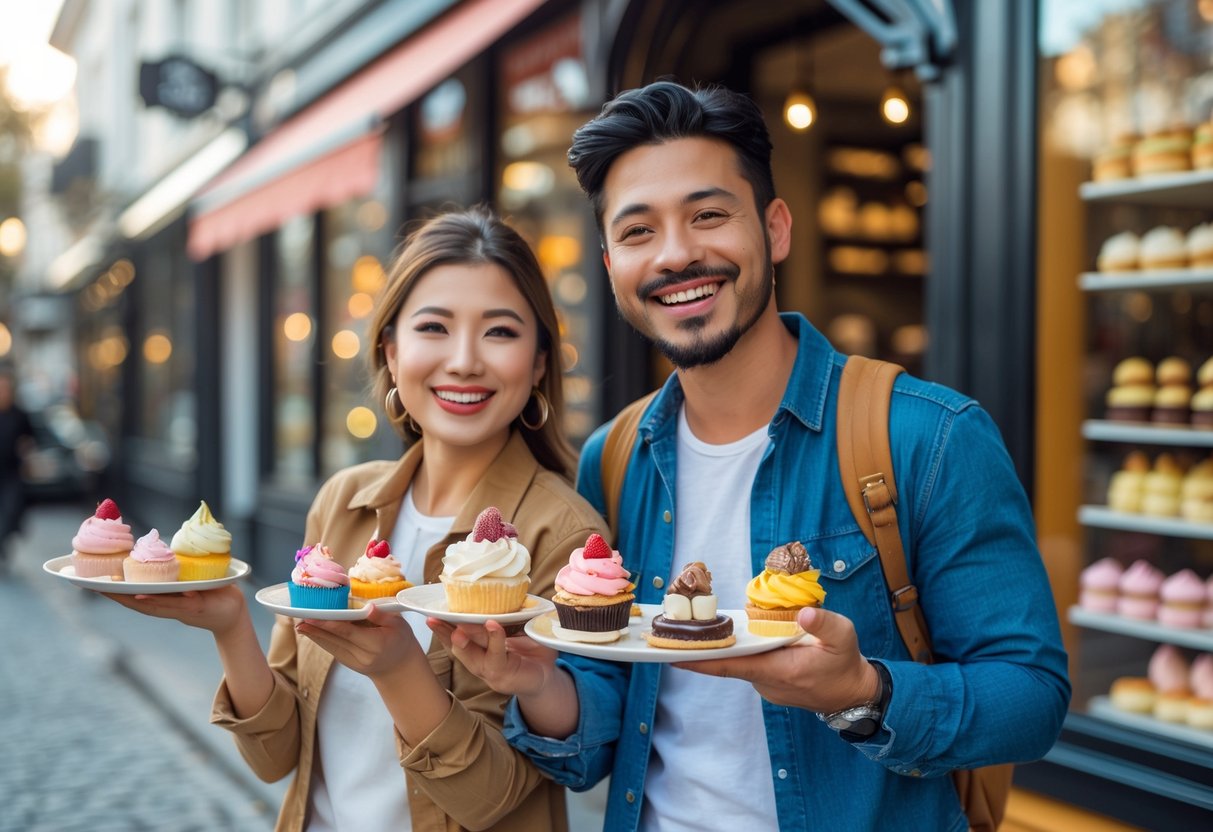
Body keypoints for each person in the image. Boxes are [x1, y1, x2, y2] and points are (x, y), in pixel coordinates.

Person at [432, 81, 1071, 832]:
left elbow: (1031, 697)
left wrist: (861, 690)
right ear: (609, 265)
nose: (676, 255)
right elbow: (603, 725)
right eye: (637, 232)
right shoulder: (615, 457)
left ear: (773, 229)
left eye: (708, 216)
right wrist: (538, 682)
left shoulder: (926, 438)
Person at [105, 207, 608, 832]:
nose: (464, 361)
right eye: (434, 327)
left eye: (500, 332)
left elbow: (492, 801)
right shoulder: (343, 503)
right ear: (391, 352)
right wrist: (231, 625)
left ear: (537, 363)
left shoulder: (564, 539)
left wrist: (399, 671)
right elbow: (274, 758)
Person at [0, 369, 34, 570]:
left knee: (11, 511)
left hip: (12, 472)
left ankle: (3, 540)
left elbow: (30, 438)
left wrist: (26, 447)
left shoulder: (19, 414)